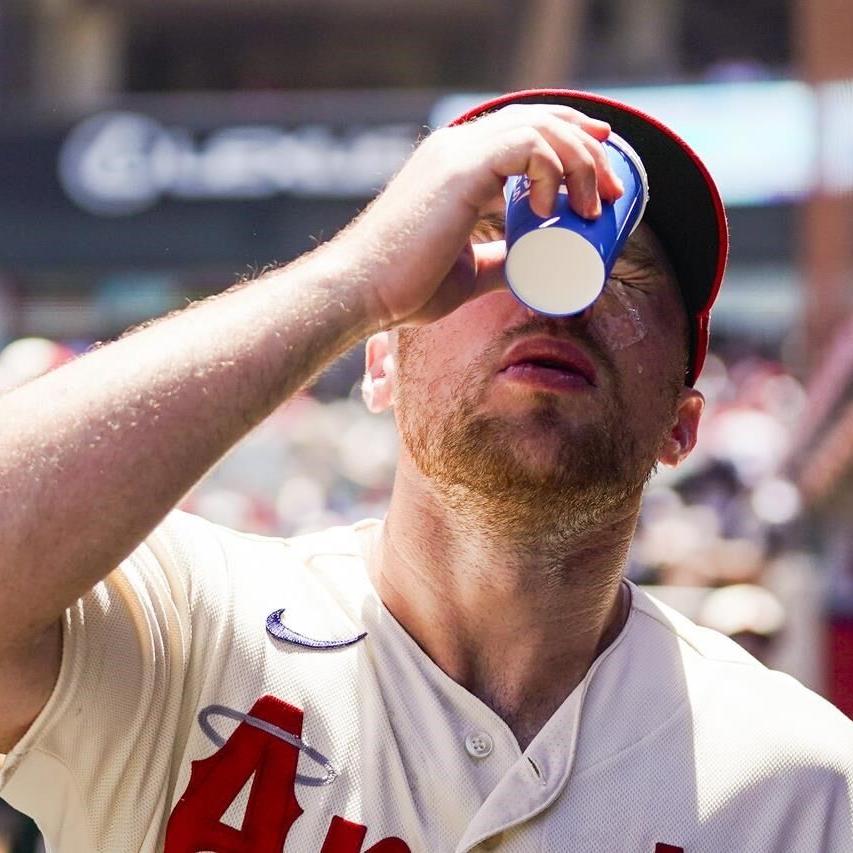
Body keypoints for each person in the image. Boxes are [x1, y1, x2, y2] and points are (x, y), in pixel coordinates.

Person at [0, 89, 850, 853]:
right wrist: (353, 278)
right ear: (379, 364)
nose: (560, 295)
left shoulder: (799, 787)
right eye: (493, 246)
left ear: (681, 425)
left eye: (623, 276)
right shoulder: (189, 627)